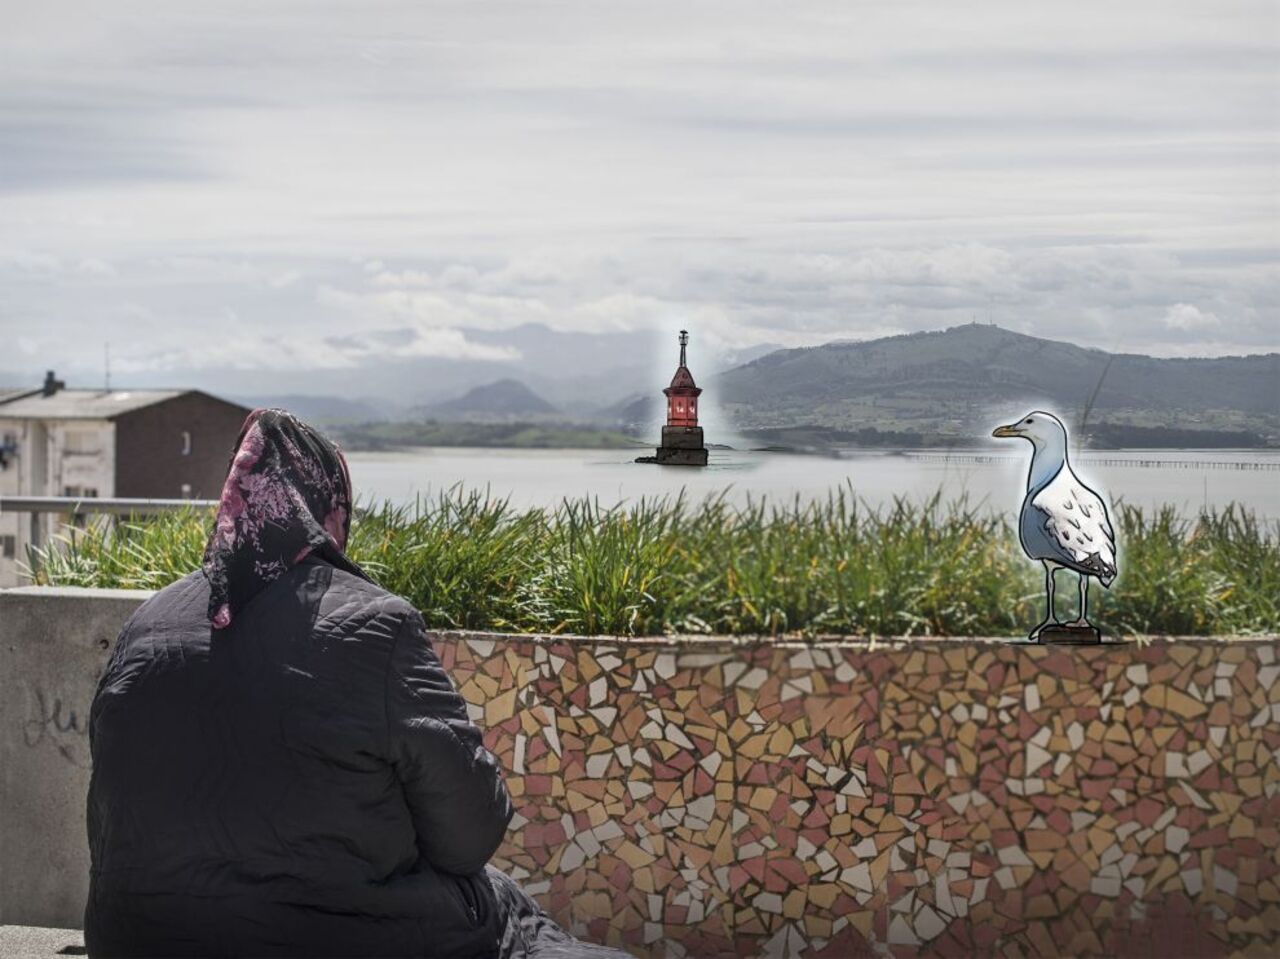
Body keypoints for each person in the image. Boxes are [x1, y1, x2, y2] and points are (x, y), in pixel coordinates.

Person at [85, 409, 629, 959]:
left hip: (136, 938)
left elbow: (107, 815)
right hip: (331, 937)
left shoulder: (147, 622)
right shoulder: (378, 624)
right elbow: (468, 838)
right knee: (501, 907)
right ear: (328, 508)